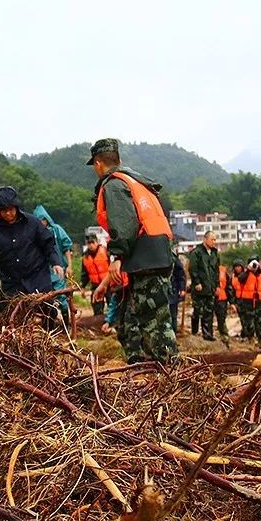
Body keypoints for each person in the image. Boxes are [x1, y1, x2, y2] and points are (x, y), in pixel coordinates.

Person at [87, 138, 177, 363]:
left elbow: (124, 225)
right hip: (159, 253)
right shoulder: (137, 181)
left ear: (98, 164)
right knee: (152, 318)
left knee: (153, 322)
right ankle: (160, 369)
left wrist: (117, 256)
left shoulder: (114, 185)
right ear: (119, 159)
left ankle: (171, 373)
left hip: (146, 258)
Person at [0, 187, 64, 323]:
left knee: (46, 313)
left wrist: (55, 262)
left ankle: (51, 336)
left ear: (16, 207)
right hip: (12, 283)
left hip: (37, 277)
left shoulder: (32, 223)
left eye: (11, 209)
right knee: (14, 319)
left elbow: (49, 243)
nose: (8, 213)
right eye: (4, 210)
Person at [33, 205, 73, 323]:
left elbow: (67, 247)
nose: (42, 223)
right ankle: (49, 328)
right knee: (46, 301)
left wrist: (69, 266)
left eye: (43, 220)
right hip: (43, 272)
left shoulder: (56, 230)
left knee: (62, 299)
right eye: (39, 221)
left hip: (58, 270)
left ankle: (67, 324)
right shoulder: (34, 233)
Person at [188, 231, 219, 341]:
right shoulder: (197, 252)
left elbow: (216, 271)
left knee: (209, 311)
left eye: (215, 239)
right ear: (205, 239)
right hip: (200, 287)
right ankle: (195, 331)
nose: (214, 242)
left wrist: (217, 286)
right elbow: (193, 269)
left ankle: (208, 334)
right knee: (198, 310)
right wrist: (196, 282)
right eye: (212, 239)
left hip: (210, 287)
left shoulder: (214, 253)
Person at [81, 234, 109, 315]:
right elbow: (84, 274)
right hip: (96, 285)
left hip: (108, 283)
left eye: (92, 242)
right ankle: (98, 321)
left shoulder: (106, 251)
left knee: (112, 303)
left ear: (97, 242)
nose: (91, 245)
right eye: (89, 243)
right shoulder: (85, 257)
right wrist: (83, 287)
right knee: (96, 305)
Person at [167, 249, 187, 335]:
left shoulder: (172, 257)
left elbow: (180, 274)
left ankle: (172, 337)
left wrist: (182, 289)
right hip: (157, 293)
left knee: (172, 315)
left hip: (171, 291)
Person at [214, 262, 235, 338]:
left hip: (222, 298)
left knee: (222, 318)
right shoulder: (204, 269)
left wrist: (231, 302)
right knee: (207, 318)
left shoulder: (223, 271)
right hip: (209, 297)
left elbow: (228, 287)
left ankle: (224, 336)